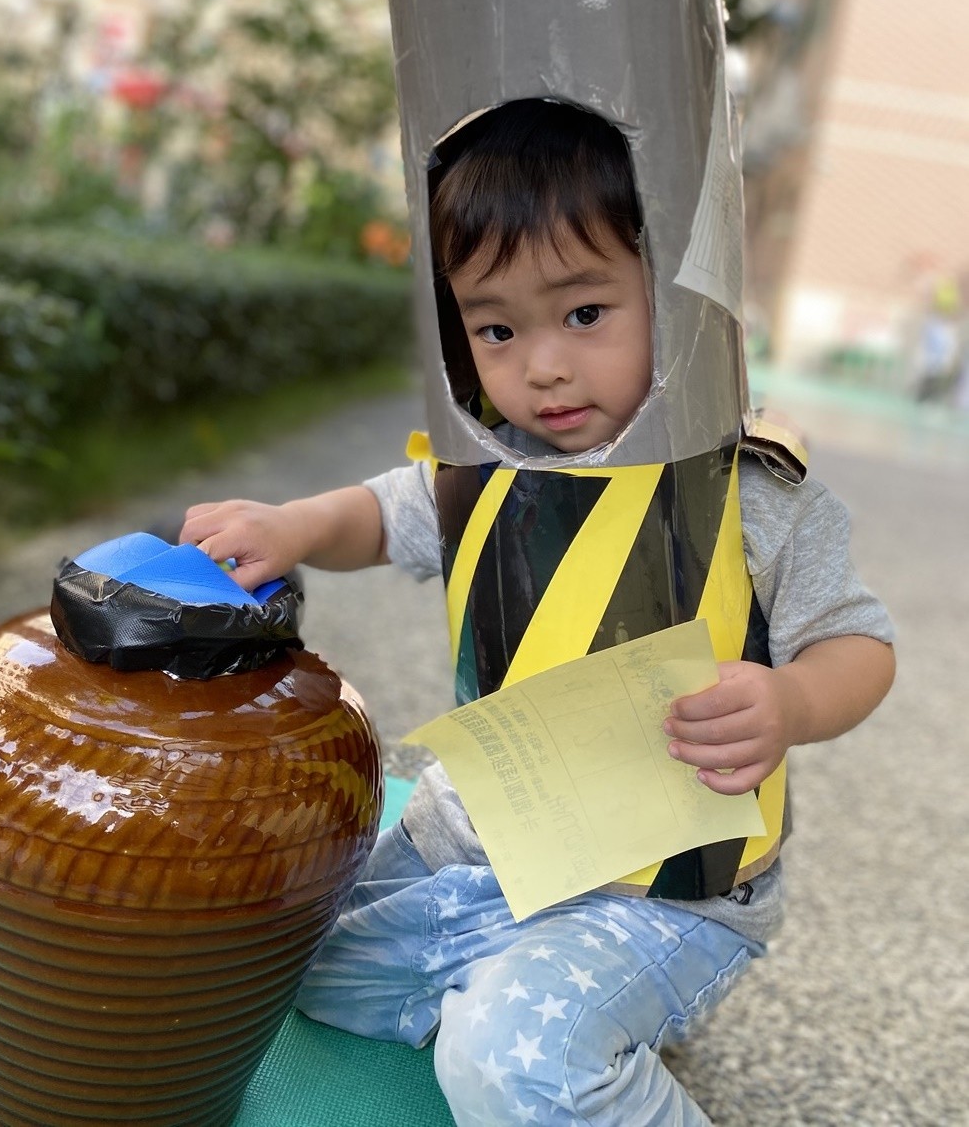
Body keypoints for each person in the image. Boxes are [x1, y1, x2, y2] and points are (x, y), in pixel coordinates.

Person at [181, 101, 895, 1126]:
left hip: (663, 890)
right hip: (482, 849)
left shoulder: (750, 488)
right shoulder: (484, 464)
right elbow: (375, 516)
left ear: (674, 294)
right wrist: (290, 525)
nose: (543, 365)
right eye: (497, 329)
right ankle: (546, 978)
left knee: (506, 1062)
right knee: (288, 965)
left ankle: (564, 1002)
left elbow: (857, 644)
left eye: (586, 313)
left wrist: (791, 702)